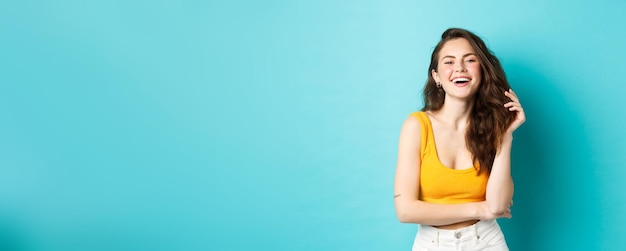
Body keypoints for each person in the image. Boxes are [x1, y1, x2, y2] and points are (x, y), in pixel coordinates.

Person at [393, 28, 525, 251]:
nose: (459, 68)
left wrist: (506, 136)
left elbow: (498, 204)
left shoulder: (493, 129)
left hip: (487, 241)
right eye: (449, 62)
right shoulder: (417, 126)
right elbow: (405, 210)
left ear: (482, 71)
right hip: (431, 244)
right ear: (436, 76)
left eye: (470, 60)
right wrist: (480, 210)